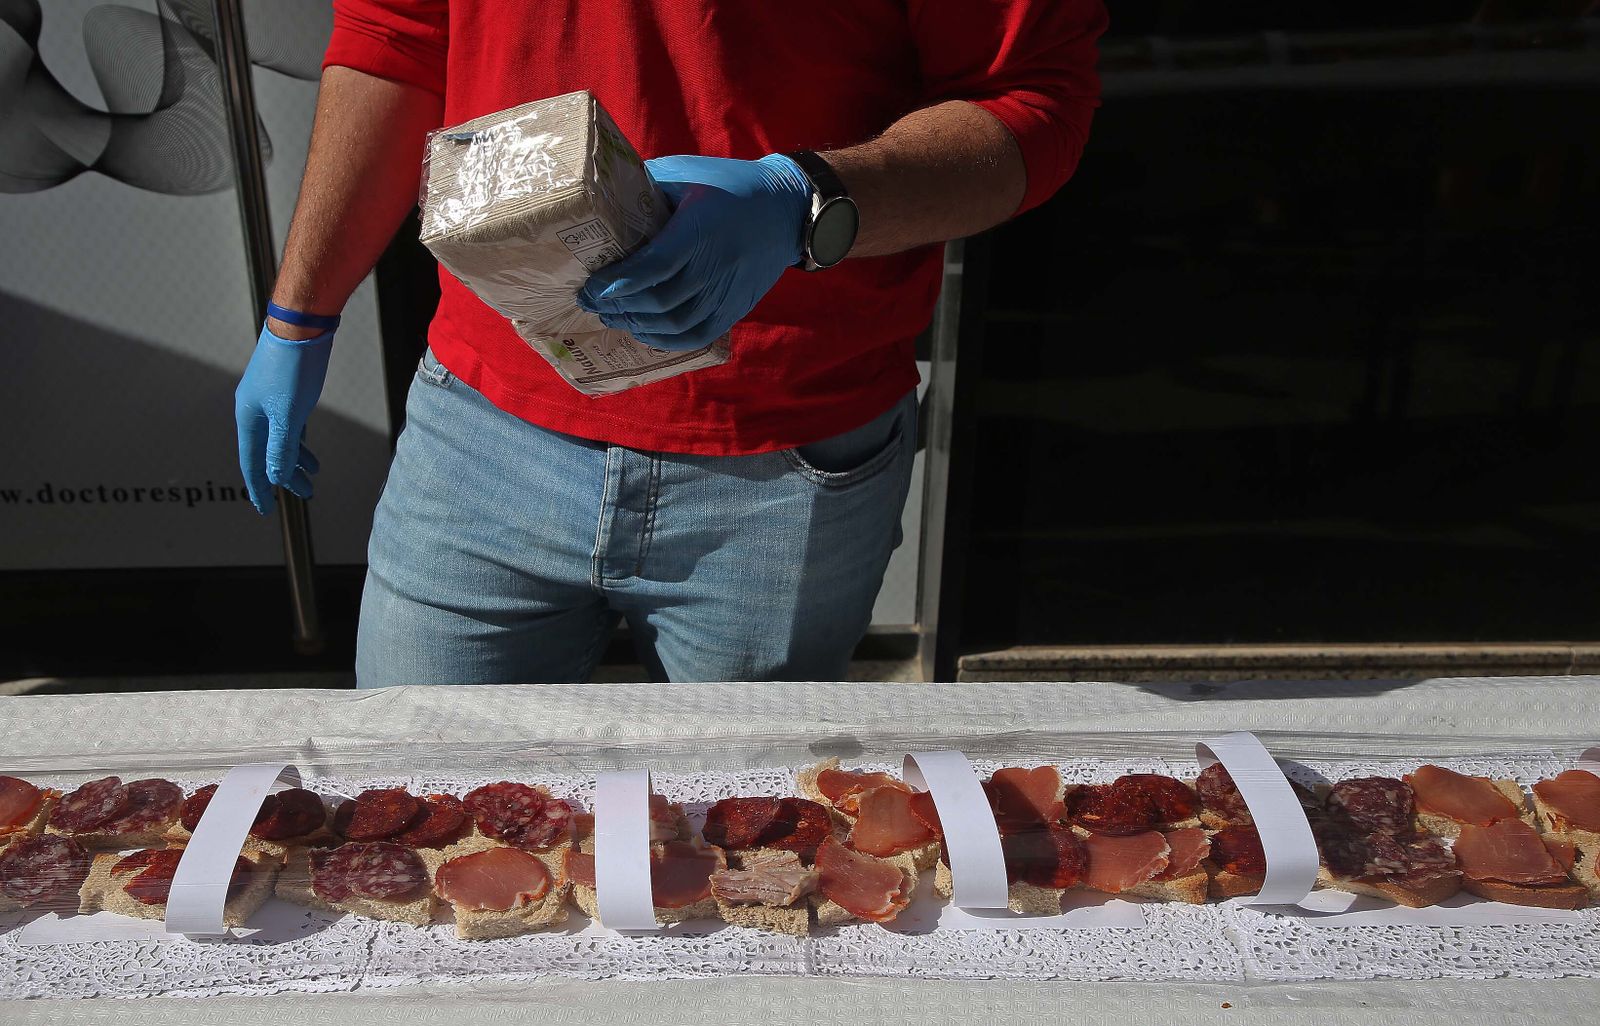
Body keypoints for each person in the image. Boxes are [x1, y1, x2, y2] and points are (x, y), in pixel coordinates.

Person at [234, 1, 1107, 686]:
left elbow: (1031, 98)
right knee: (424, 810)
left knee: (736, 857)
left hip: (777, 462)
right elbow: (398, 37)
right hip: (484, 429)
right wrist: (298, 314)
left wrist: (800, 200)